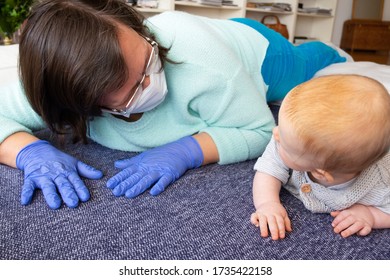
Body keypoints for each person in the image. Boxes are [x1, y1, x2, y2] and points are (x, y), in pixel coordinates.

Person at [0, 0, 346, 209]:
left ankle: (331, 48)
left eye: (149, 56)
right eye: (136, 85)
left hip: (259, 51)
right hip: (217, 44)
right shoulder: (58, 82)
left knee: (307, 65)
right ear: (79, 102)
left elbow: (259, 129)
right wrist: (29, 152)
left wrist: (187, 151)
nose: (151, 79)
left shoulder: (205, 66)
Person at [251, 74, 390, 240]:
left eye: (285, 143)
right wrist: (268, 203)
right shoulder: (287, 140)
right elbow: (268, 170)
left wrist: (371, 215)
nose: (275, 134)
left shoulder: (381, 186)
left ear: (320, 173)